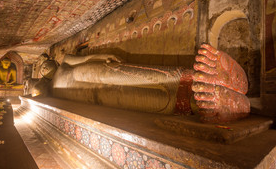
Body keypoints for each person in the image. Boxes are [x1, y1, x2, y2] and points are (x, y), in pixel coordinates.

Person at [36, 44, 249, 124]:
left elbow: (80, 60)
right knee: (141, 100)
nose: (45, 69)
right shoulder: (47, 87)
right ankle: (202, 102)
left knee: (137, 76)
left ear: (52, 61)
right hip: (87, 96)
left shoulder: (64, 63)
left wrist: (104, 55)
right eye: (42, 70)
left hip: (89, 73)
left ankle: (197, 78)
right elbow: (35, 93)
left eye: (45, 65)